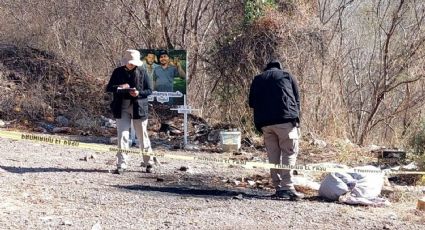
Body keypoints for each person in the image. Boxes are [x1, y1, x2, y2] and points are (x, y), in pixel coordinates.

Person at [248, 59, 304, 200]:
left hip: (265, 123)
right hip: (286, 121)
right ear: (280, 67)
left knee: (273, 155)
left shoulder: (258, 79)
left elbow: (251, 103)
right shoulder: (287, 76)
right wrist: (296, 120)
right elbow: (297, 100)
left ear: (266, 68)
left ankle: (278, 187)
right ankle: (287, 188)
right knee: (289, 153)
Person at [106, 49, 155, 174]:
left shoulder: (143, 72)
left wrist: (138, 93)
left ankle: (149, 162)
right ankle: (122, 164)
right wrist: (120, 87)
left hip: (138, 106)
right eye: (130, 62)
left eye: (133, 63)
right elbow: (109, 87)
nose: (131, 64)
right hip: (121, 106)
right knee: (122, 135)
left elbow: (149, 90)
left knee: (142, 135)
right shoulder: (117, 72)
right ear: (126, 61)